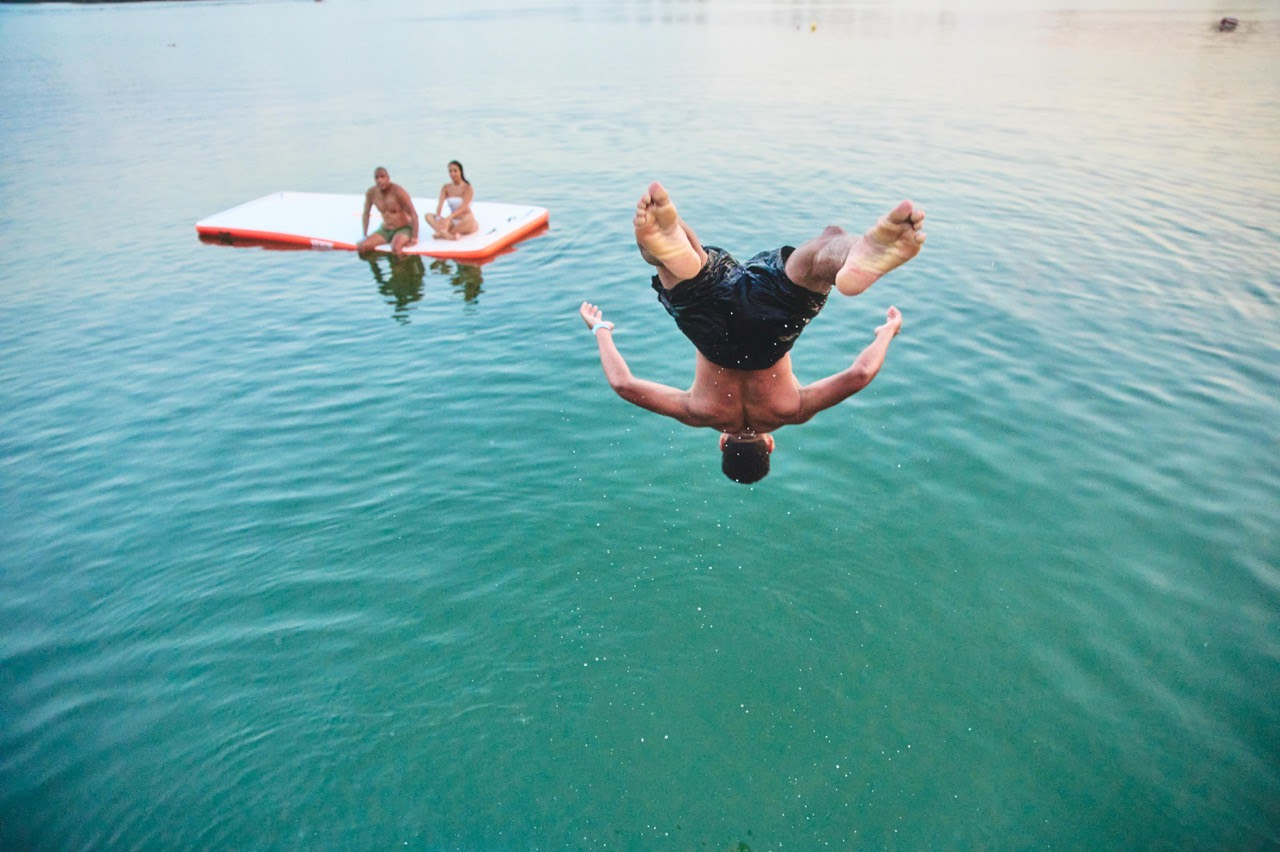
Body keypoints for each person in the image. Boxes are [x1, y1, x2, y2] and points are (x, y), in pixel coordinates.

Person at [578, 181, 925, 484]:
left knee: (823, 250)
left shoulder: (792, 411)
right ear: (722, 443)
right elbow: (624, 385)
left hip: (772, 330)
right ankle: (677, 251)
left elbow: (859, 375)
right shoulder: (698, 413)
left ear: (769, 444)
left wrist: (886, 332)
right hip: (709, 332)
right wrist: (601, 329)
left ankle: (849, 255)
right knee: (673, 263)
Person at [357, 167, 419, 256]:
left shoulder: (398, 191)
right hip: (385, 229)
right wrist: (364, 235)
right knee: (362, 247)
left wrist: (414, 238)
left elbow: (413, 214)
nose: (380, 180)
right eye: (377, 178)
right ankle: (375, 265)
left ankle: (402, 263)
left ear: (388, 178)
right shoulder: (371, 193)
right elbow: (366, 214)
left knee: (395, 248)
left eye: (382, 177)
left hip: (403, 228)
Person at [425, 160, 479, 240]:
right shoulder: (446, 187)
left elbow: (463, 208)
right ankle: (447, 234)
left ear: (460, 171)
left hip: (465, 220)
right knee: (428, 216)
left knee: (470, 218)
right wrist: (438, 219)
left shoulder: (467, 188)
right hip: (452, 221)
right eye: (450, 171)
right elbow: (440, 205)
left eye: (455, 171)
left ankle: (446, 234)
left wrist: (449, 217)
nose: (452, 174)